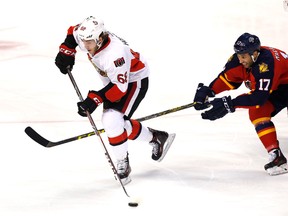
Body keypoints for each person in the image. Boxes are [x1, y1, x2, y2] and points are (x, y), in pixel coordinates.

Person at [54, 16, 176, 185]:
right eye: (83, 41)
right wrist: (66, 51)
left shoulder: (115, 54)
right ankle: (157, 137)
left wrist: (94, 100)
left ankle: (123, 163)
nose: (84, 45)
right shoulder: (88, 36)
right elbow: (72, 33)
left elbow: (119, 89)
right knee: (117, 124)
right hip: (115, 81)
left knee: (112, 121)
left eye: (88, 42)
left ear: (100, 38)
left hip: (134, 81)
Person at [193, 32, 288, 176]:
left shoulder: (265, 64)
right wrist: (209, 91)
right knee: (258, 112)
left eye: (243, 56)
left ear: (255, 54)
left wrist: (229, 104)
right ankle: (277, 156)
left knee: (257, 105)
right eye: (238, 55)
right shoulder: (239, 60)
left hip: (281, 87)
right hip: (278, 88)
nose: (240, 59)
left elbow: (258, 98)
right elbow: (228, 79)